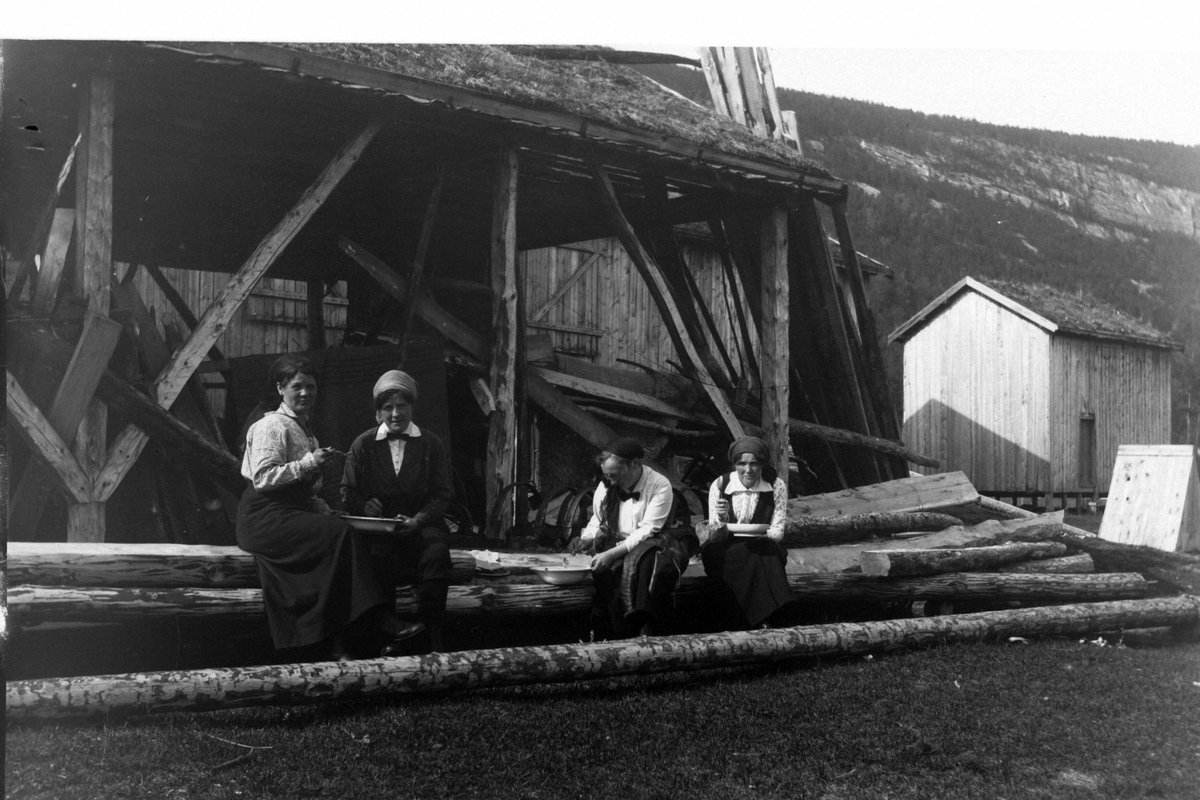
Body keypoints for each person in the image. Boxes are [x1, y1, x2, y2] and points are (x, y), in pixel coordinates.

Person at [236, 354, 421, 662]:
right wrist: (310, 463)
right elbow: (263, 479)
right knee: (338, 536)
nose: (305, 393)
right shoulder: (270, 425)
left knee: (341, 534)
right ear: (281, 389)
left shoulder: (306, 432)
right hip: (263, 517)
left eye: (311, 386)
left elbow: (305, 494)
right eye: (297, 387)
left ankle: (339, 641)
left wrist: (327, 512)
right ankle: (378, 619)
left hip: (291, 514)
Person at [341, 369, 454, 653]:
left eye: (401, 406)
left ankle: (431, 635)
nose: (395, 413)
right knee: (378, 557)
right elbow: (347, 490)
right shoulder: (363, 444)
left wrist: (418, 520)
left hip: (422, 525)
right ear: (378, 413)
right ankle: (390, 638)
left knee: (437, 554)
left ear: (412, 408)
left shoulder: (431, 444)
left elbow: (443, 495)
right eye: (387, 407)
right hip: (381, 530)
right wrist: (363, 504)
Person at [571, 437, 696, 638]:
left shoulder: (659, 484)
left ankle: (642, 624)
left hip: (648, 543)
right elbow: (598, 518)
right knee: (603, 570)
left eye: (614, 474)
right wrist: (587, 538)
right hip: (614, 542)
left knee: (644, 563)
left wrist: (611, 554)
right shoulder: (607, 484)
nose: (610, 480)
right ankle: (616, 630)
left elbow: (647, 530)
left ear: (635, 464)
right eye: (607, 475)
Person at [701, 436, 796, 630]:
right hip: (724, 545)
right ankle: (769, 619)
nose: (748, 470)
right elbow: (716, 537)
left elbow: (777, 531)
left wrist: (759, 535)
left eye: (754, 464)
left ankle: (761, 622)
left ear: (762, 464)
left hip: (762, 543)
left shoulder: (776, 486)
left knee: (763, 554)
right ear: (734, 464)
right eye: (742, 463)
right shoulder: (720, 485)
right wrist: (724, 518)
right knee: (749, 557)